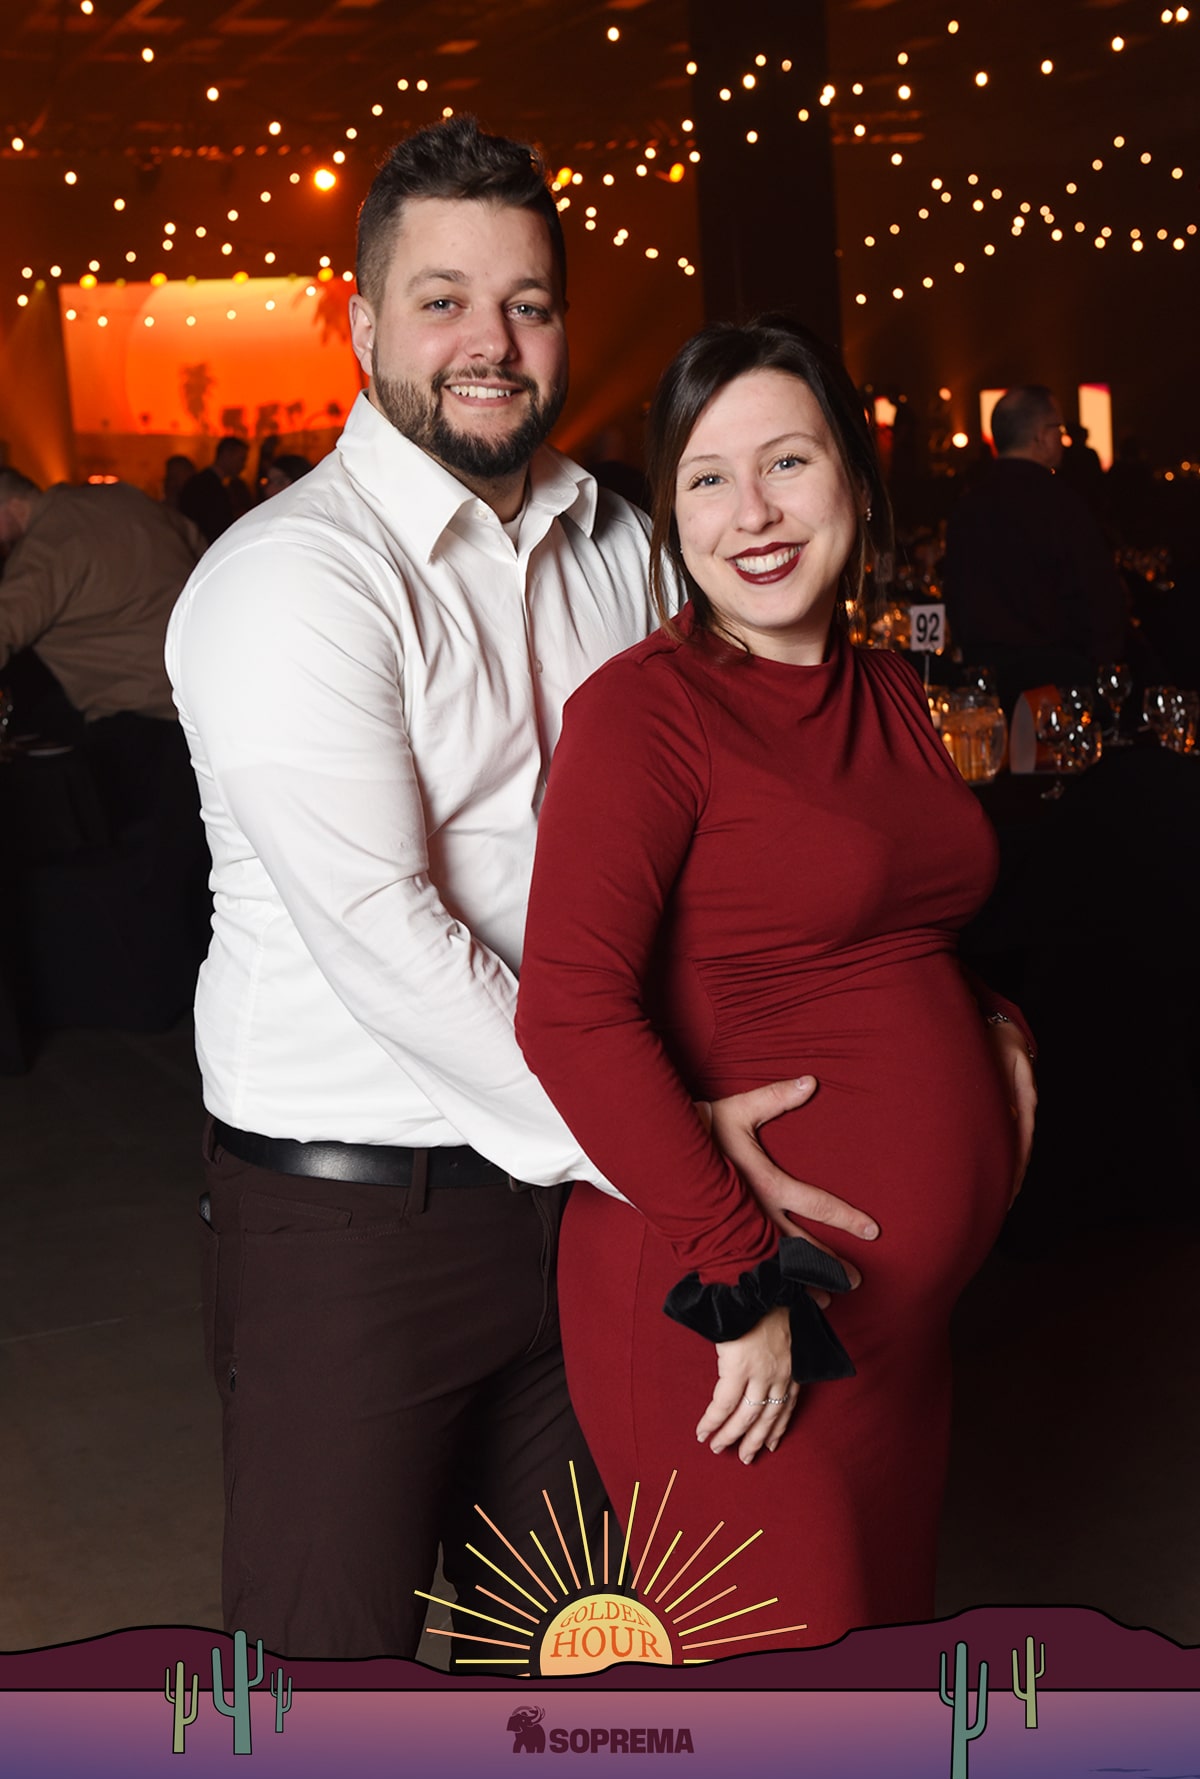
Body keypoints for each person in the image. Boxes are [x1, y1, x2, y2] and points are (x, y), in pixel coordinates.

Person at [164, 122, 871, 1662]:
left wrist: (960, 1008)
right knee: (324, 1682)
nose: (489, 342)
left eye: (527, 303)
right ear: (362, 326)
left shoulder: (626, 539)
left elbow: (748, 829)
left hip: (586, 1209)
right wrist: (666, 1145)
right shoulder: (292, 580)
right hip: (359, 1221)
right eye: (443, 301)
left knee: (565, 1659)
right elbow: (393, 940)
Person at [516, 316, 1037, 1652]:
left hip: (898, 1327)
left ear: (855, 477)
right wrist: (740, 1275)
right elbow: (567, 1009)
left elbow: (904, 917)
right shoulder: (645, 715)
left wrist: (993, 1030)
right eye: (706, 477)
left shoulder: (889, 688)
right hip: (733, 1320)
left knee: (874, 1672)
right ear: (669, 512)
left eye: (787, 463)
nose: (750, 512)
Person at [943, 385, 1126, 711]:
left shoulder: (966, 506)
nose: (1062, 439)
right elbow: (1099, 598)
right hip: (1059, 686)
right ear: (1041, 436)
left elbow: (955, 595)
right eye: (1058, 429)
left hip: (988, 686)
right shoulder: (1063, 503)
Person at [0, 466, 197, 732]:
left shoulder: (43, 546)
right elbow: (196, 542)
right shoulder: (119, 496)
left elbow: (6, 621)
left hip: (139, 709)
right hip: (197, 687)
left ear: (11, 505)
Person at [178, 436, 251, 545]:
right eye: (241, 459)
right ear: (226, 455)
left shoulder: (207, 482)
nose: (243, 466)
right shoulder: (206, 485)